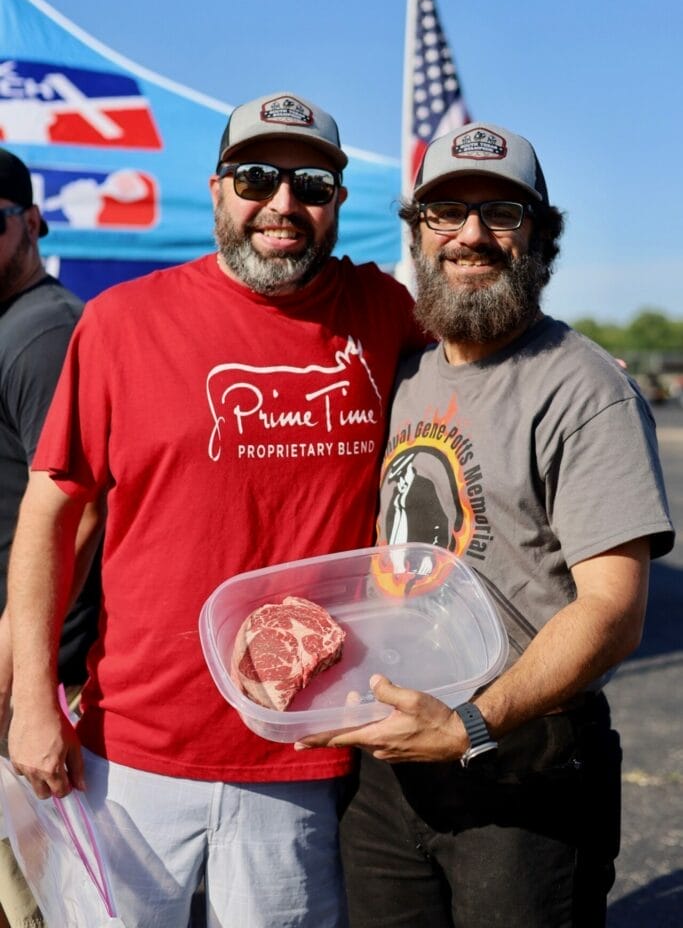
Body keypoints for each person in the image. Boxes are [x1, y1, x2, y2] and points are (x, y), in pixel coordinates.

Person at [6, 93, 425, 928]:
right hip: (134, 752)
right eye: (256, 177)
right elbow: (53, 518)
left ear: (339, 202)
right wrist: (28, 703)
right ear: (217, 188)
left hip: (301, 754)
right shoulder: (122, 324)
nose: (282, 203)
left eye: (310, 184)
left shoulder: (384, 316)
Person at [297, 122, 675, 927]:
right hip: (390, 766)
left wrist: (469, 724)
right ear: (418, 233)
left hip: (522, 766)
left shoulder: (581, 389)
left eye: (499, 212)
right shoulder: (402, 373)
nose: (471, 235)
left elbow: (612, 609)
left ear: (537, 233)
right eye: (445, 212)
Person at [0, 148, 101, 928]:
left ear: (30, 222)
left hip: (36, 672)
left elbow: (80, 511)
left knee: (48, 902)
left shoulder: (44, 331)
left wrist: (24, 673)